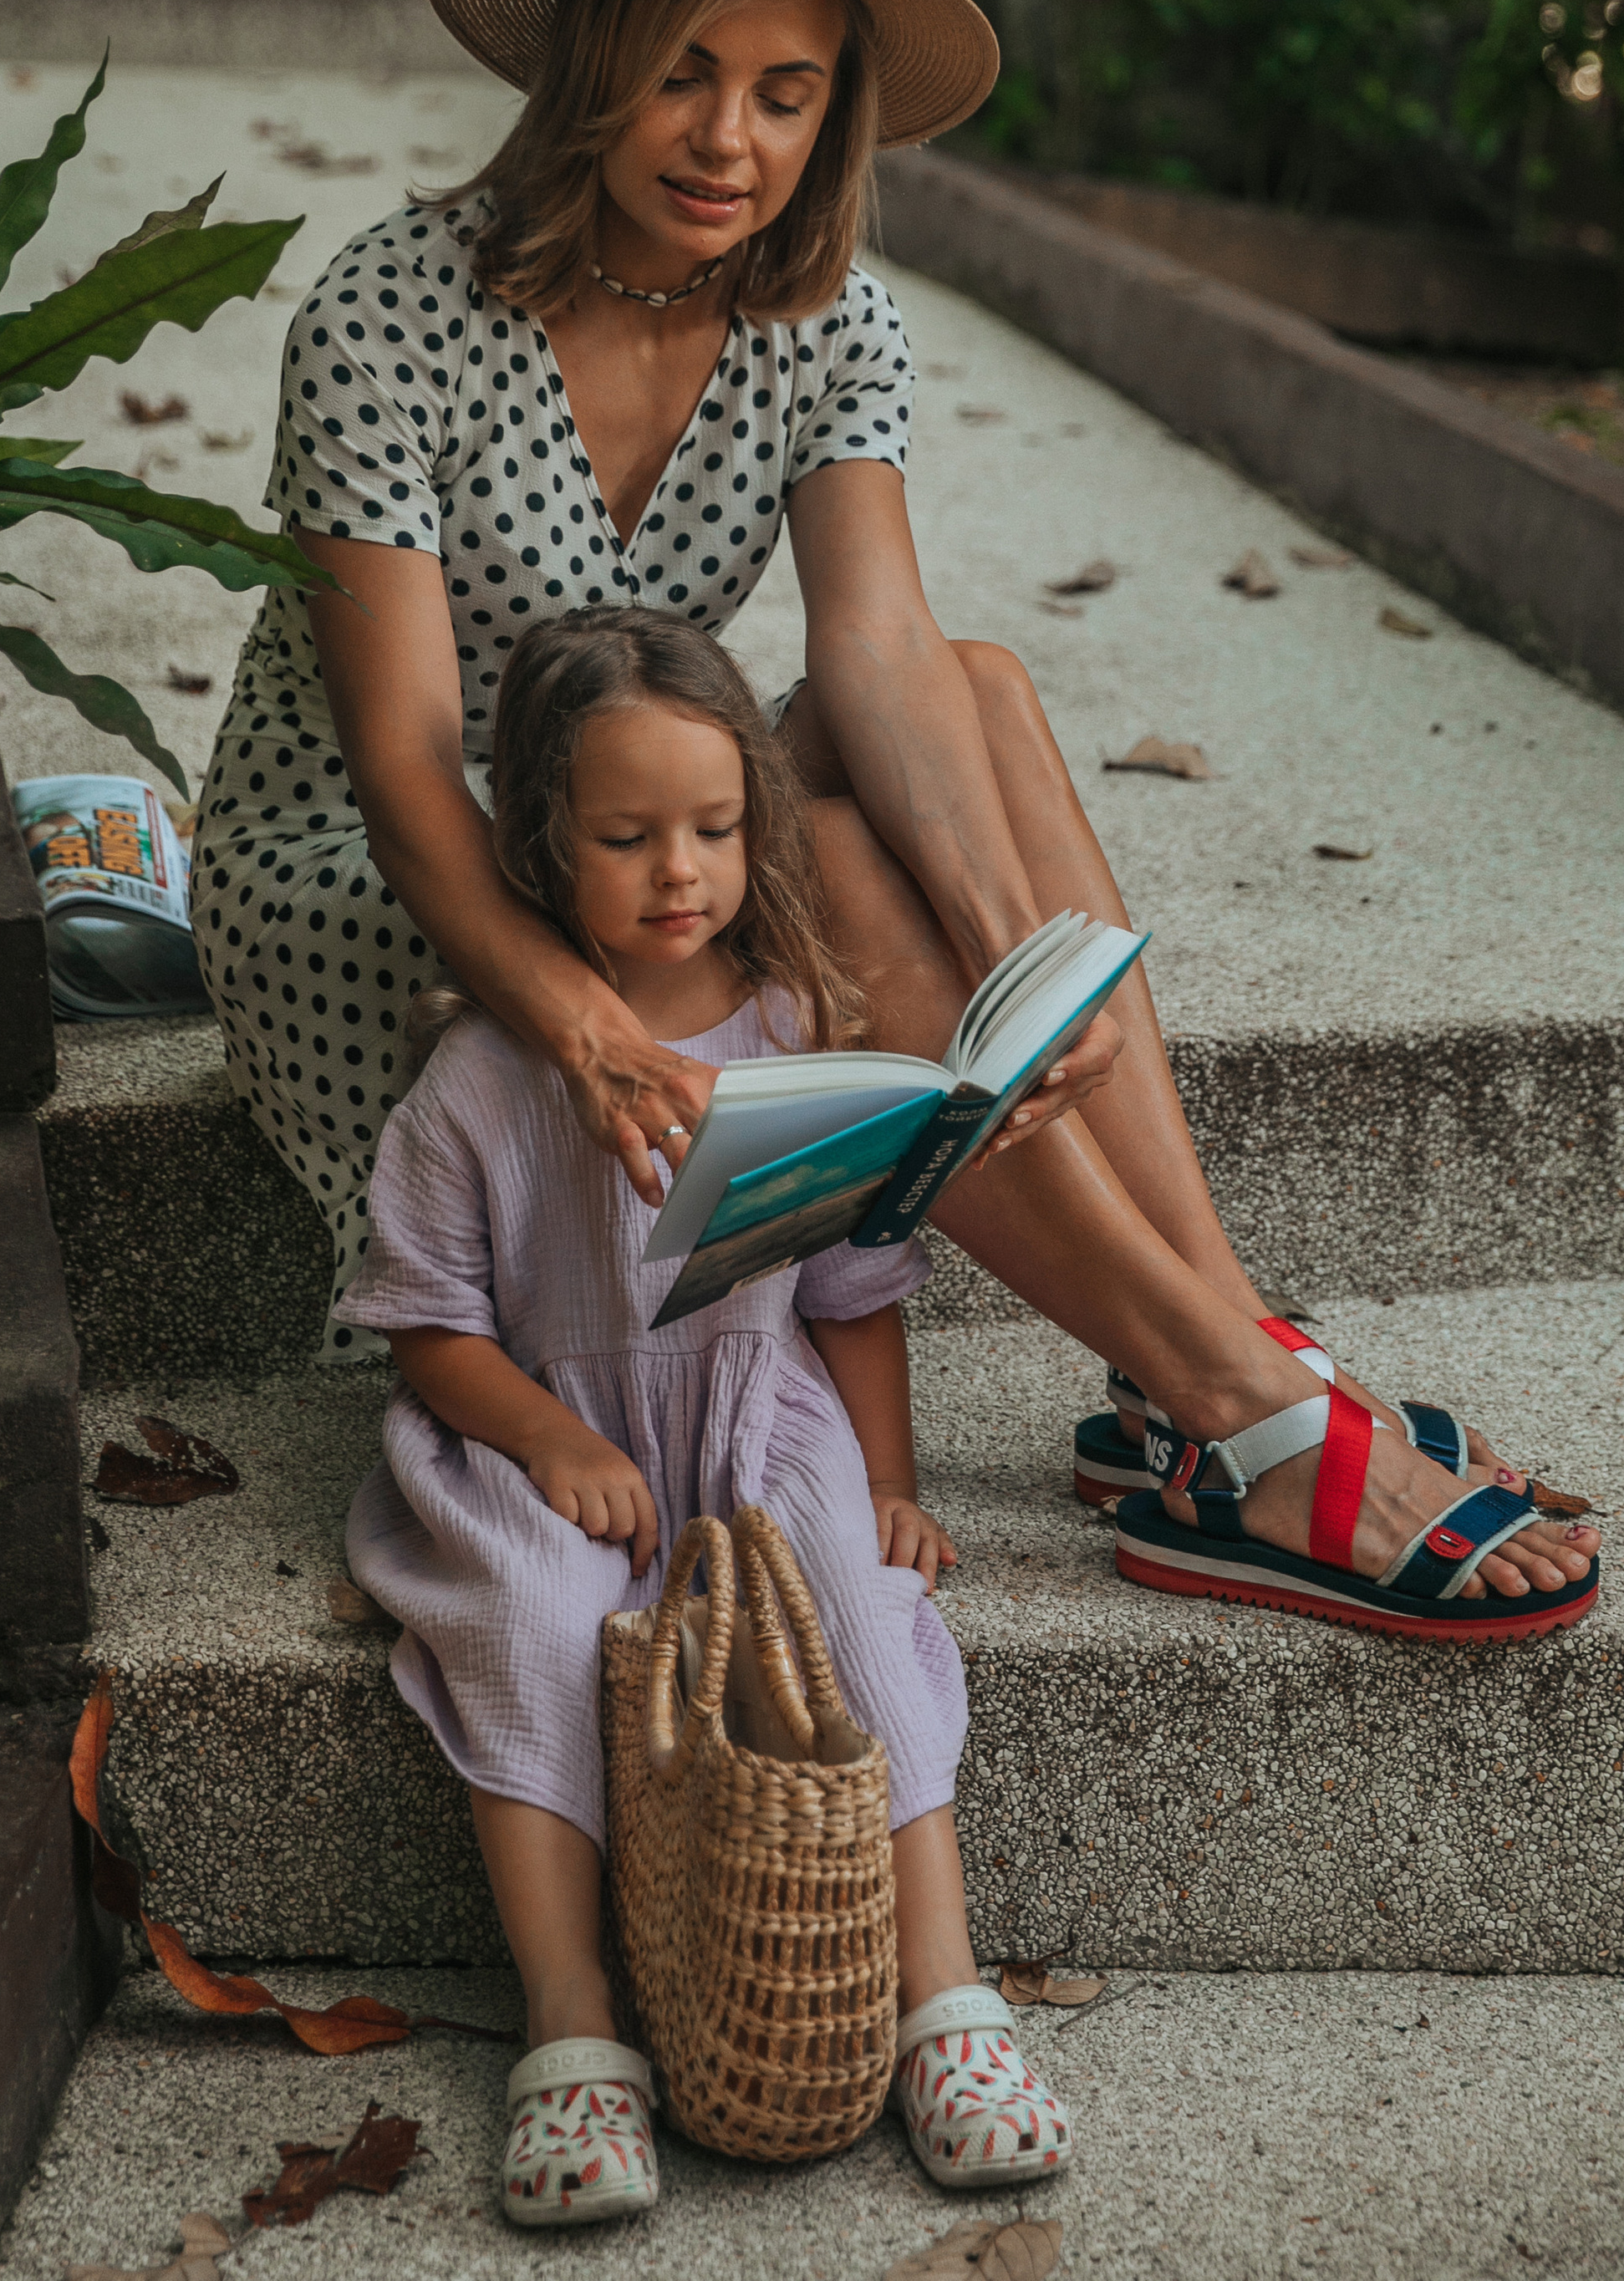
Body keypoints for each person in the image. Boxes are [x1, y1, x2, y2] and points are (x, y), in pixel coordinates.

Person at [191, 0, 1600, 1637]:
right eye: (686, 73)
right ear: (586, 64)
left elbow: (875, 647)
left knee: (978, 691)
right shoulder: (389, 311)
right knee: (833, 872)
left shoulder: (829, 318)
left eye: (786, 92)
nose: (729, 139)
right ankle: (1242, 1410)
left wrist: (1036, 975)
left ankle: (1220, 1348)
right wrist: (585, 1033)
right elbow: (395, 769)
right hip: (387, 880)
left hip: (641, 822)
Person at [339, 608, 1072, 2223]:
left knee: (866, 1616)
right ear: (540, 839)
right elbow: (428, 1334)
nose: (683, 869)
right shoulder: (488, 1073)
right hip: (544, 1424)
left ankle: (943, 2010)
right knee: (535, 1626)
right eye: (629, 835)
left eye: (718, 829)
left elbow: (851, 1300)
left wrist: (882, 1482)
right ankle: (575, 2030)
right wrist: (548, 1441)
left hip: (763, 1410)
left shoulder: (794, 1031)